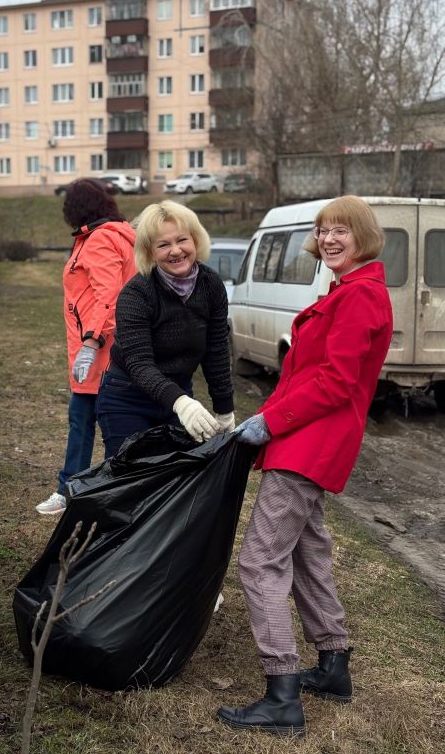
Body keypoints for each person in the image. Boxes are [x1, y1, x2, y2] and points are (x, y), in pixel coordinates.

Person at [217, 195, 393, 737]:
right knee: (307, 551)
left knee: (260, 562)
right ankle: (333, 665)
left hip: (308, 445)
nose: (330, 238)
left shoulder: (360, 297)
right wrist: (265, 418)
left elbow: (337, 381)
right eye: (323, 230)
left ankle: (281, 694)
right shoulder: (344, 292)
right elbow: (303, 375)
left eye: (342, 229)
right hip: (303, 440)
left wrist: (273, 423)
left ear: (363, 235)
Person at [95, 200, 235, 459]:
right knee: (130, 481)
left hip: (178, 394)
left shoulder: (211, 285)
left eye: (182, 240)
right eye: (163, 244)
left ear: (195, 240)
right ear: (149, 252)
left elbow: (216, 351)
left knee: (174, 479)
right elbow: (139, 364)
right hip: (127, 397)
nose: (175, 251)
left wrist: (224, 408)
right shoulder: (137, 294)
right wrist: (182, 403)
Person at [35, 179, 136, 515]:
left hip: (99, 352)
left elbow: (109, 294)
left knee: (88, 422)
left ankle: (72, 491)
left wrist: (92, 341)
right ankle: (98, 490)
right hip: (109, 349)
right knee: (104, 423)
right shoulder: (113, 234)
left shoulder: (99, 240)